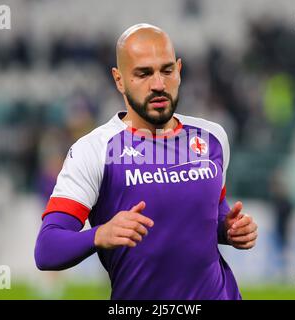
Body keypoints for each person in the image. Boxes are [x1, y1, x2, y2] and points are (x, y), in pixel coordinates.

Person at [34, 23, 258, 300]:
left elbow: (211, 215)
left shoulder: (212, 137)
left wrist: (229, 229)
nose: (158, 85)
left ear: (179, 69)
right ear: (119, 80)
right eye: (143, 73)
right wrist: (99, 234)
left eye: (167, 70)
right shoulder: (93, 150)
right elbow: (47, 248)